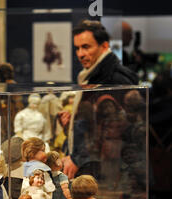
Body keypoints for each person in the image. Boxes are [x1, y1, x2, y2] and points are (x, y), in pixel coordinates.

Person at [59, 20, 138, 180]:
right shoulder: (90, 76)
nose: (80, 54)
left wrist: (77, 158)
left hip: (108, 170)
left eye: (86, 47)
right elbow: (95, 122)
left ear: (104, 46)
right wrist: (71, 124)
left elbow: (117, 130)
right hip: (96, 166)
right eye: (77, 48)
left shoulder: (114, 79)